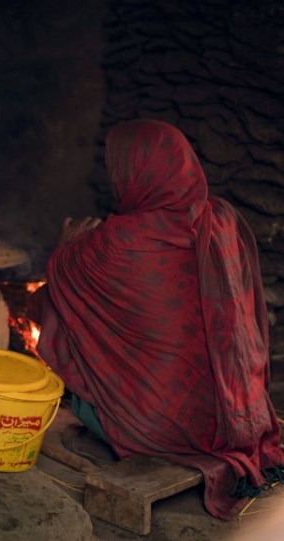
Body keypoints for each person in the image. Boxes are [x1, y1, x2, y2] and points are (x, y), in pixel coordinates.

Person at [27, 119, 284, 520]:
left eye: (117, 169)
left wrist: (69, 241)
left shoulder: (119, 241)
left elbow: (57, 278)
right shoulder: (222, 221)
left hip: (165, 428)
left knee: (70, 340)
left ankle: (118, 428)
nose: (113, 181)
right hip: (237, 416)